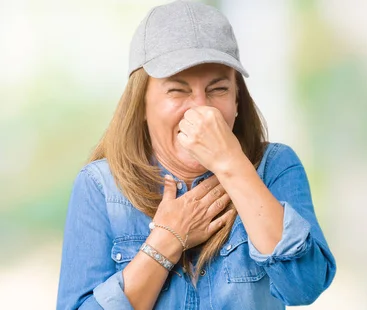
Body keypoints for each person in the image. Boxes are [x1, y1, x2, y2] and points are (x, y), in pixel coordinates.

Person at [56, 1, 336, 309]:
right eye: (178, 90)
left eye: (218, 89)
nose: (201, 108)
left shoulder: (275, 168)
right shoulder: (100, 186)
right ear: (142, 106)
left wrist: (232, 165)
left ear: (237, 99)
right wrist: (167, 240)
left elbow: (304, 286)